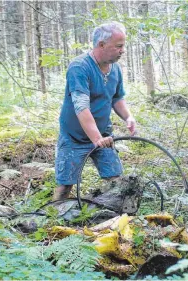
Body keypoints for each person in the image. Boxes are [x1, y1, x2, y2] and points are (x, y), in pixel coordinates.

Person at [53, 22, 136, 201]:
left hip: (103, 134)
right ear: (101, 45)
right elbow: (81, 106)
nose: (123, 50)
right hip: (73, 137)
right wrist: (96, 139)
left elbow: (116, 98)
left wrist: (128, 117)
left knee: (116, 179)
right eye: (119, 46)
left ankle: (116, 215)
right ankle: (53, 220)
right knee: (65, 184)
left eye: (123, 46)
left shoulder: (115, 69)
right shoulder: (79, 67)